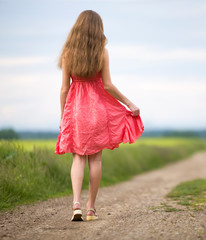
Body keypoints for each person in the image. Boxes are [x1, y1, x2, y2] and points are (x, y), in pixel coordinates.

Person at [54, 10, 144, 221]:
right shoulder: (101, 52)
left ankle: (76, 204)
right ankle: (91, 208)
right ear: (98, 29)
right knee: (95, 159)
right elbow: (108, 86)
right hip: (98, 111)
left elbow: (64, 89)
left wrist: (62, 116)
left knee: (78, 157)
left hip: (76, 111)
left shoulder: (68, 52)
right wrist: (129, 103)